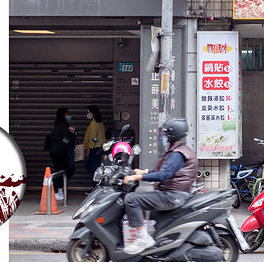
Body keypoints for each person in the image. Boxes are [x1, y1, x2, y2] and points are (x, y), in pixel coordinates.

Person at [121, 118, 198, 255]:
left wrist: (137, 177)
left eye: (166, 134)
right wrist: (144, 171)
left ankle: (143, 238)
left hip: (173, 195)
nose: (164, 137)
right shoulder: (180, 150)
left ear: (172, 135)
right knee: (141, 190)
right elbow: (167, 171)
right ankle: (150, 229)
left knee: (131, 199)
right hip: (173, 192)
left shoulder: (177, 154)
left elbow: (163, 175)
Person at [49, 107, 76, 201]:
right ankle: (55, 190)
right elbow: (68, 138)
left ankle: (58, 189)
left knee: (62, 171)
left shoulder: (61, 125)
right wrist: (73, 132)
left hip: (58, 152)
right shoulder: (62, 126)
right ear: (63, 115)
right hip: (58, 152)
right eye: (67, 114)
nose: (69, 116)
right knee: (63, 171)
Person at [83, 105, 106, 186]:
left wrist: (88, 149)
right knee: (93, 167)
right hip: (100, 148)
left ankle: (96, 187)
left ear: (93, 113)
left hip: (94, 148)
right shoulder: (100, 123)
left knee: (93, 168)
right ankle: (98, 185)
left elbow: (93, 137)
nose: (88, 114)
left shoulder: (94, 124)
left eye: (89, 113)